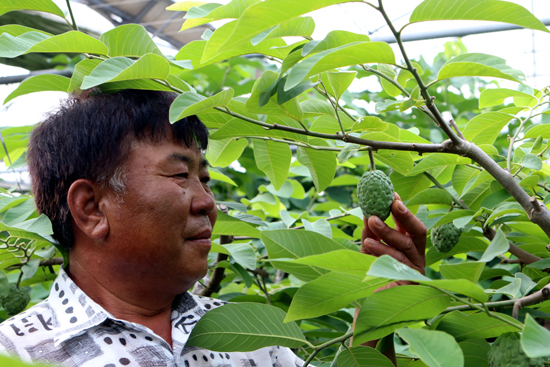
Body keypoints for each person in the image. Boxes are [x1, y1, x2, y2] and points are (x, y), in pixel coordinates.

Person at [0, 89, 426, 367]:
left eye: (204, 178)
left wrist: (377, 314)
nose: (207, 202)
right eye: (179, 176)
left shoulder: (252, 335)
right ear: (91, 208)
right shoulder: (17, 351)